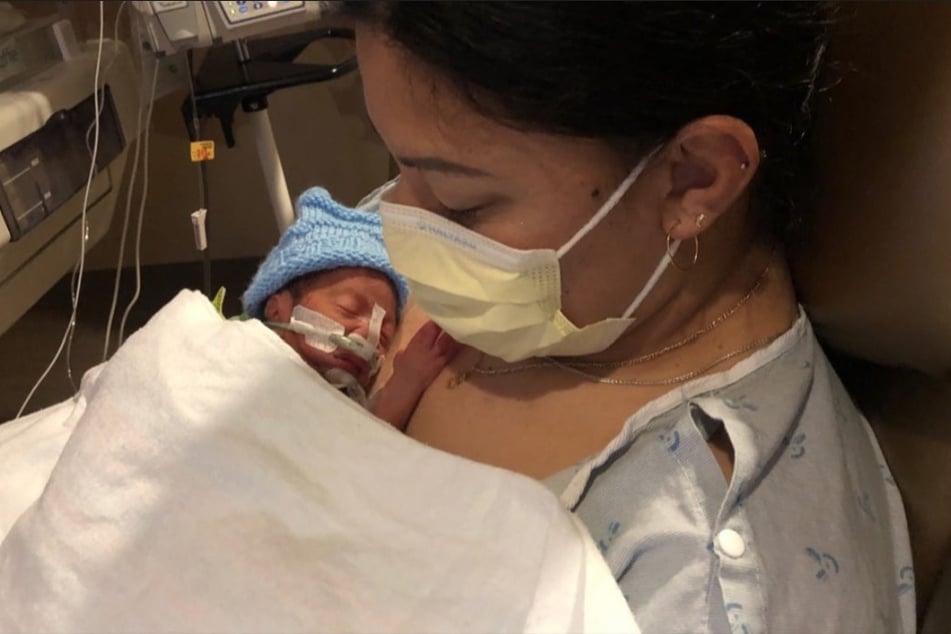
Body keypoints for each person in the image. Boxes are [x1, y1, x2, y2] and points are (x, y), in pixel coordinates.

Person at [341, 2, 915, 632]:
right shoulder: (563, 246)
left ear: (694, 179)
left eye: (461, 204)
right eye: (397, 163)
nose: (399, 219)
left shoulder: (699, 577)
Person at [242, 186, 458, 431]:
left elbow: (360, 442)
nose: (368, 335)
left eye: (384, 336)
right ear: (276, 310)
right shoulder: (245, 353)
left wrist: (407, 381)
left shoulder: (345, 405)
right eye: (349, 309)